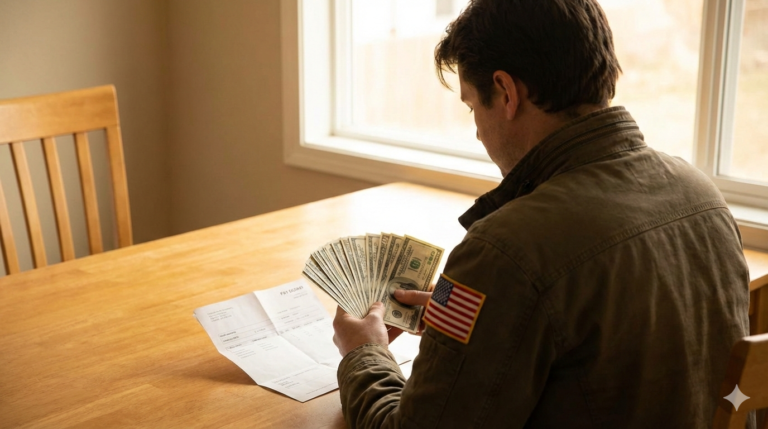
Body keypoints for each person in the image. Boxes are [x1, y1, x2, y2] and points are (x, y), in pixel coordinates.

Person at [331, 0, 752, 427]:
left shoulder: (504, 252)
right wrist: (471, 311)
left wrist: (364, 352)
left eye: (473, 106)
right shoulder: (706, 199)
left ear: (507, 92)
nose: (477, 131)